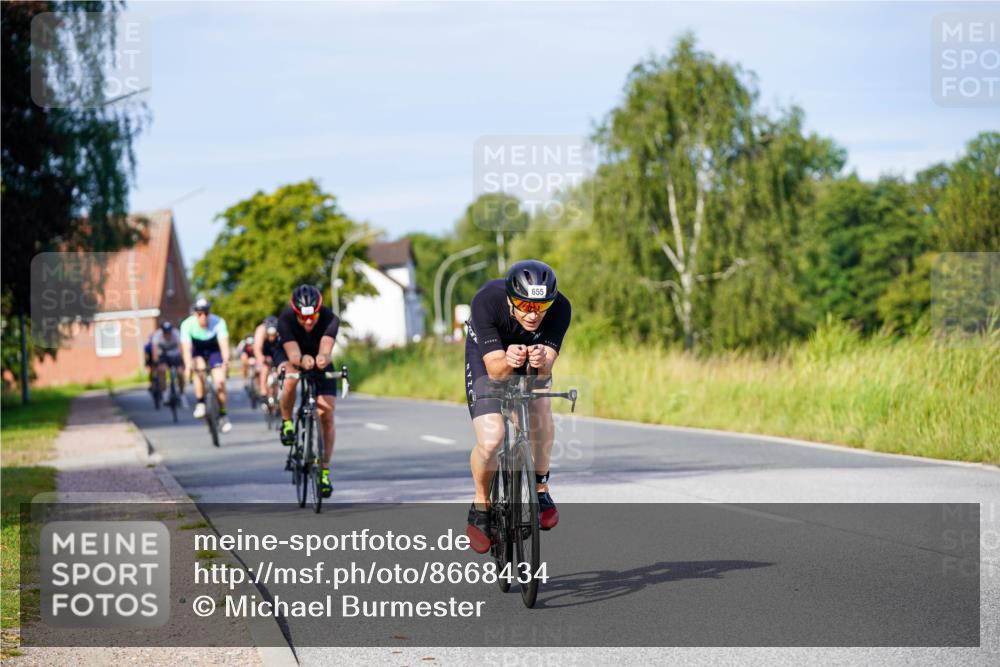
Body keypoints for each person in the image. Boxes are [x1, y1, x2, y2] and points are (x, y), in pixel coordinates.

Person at [463, 259, 571, 554]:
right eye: (525, 306)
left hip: (525, 361)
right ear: (511, 299)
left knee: (540, 412)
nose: (533, 315)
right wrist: (507, 360)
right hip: (490, 359)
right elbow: (496, 372)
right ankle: (481, 505)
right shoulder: (486, 302)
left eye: (541, 306)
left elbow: (545, 370)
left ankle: (541, 488)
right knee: (492, 438)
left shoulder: (561, 308)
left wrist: (540, 362)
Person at [275, 285, 340, 498]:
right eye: (303, 318)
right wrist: (302, 360)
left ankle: (324, 472)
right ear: (295, 313)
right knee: (291, 379)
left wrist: (323, 358)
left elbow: (326, 349)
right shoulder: (285, 319)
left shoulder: (330, 318)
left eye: (313, 316)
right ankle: (287, 422)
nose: (309, 321)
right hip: (293, 356)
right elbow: (293, 354)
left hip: (318, 359)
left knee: (327, 415)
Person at [179, 298, 232, 433]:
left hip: (214, 349)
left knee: (219, 382)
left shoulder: (218, 322)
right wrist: (187, 366)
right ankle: (201, 402)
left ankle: (223, 414)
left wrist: (226, 361)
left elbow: (224, 345)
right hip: (197, 350)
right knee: (199, 369)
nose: (203, 317)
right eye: (199, 314)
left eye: (206, 313)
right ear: (195, 313)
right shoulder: (187, 324)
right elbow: (186, 349)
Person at [150, 320, 186, 404]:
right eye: (165, 333)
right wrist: (156, 362)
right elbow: (154, 350)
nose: (167, 335)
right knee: (161, 370)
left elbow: (181, 348)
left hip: (175, 355)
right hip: (163, 355)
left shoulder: (176, 333)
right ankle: (164, 393)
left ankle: (181, 393)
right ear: (162, 331)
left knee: (180, 373)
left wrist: (183, 361)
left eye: (169, 332)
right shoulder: (157, 335)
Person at [253, 316, 281, 409]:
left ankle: (278, 394)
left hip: (276, 349)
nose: (272, 336)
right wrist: (261, 359)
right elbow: (257, 348)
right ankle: (263, 391)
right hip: (264, 349)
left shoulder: (281, 329)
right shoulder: (260, 331)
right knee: (264, 368)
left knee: (279, 369)